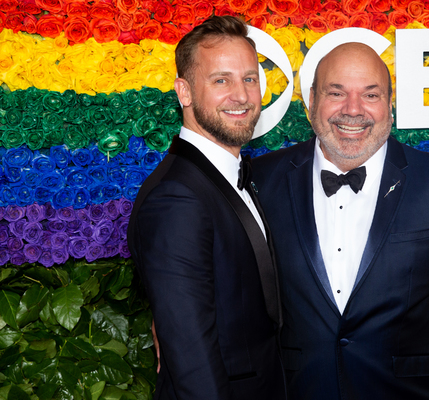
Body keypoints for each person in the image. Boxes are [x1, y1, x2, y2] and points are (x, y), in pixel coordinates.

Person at [251, 42, 429, 400]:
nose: (353, 110)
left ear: (389, 105)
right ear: (311, 102)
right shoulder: (260, 180)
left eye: (371, 95)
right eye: (336, 92)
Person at [128, 16, 286, 400]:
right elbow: (191, 359)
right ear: (184, 92)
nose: (242, 95)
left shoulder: (232, 175)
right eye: (221, 80)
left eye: (250, 78)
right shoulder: (176, 199)